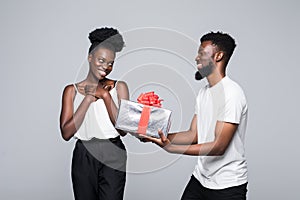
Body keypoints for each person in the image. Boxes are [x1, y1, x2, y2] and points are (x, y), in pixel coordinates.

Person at [142, 31, 248, 200]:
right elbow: (194, 135)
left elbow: (219, 147)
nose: (197, 58)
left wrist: (172, 148)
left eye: (202, 53)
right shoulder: (204, 93)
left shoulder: (231, 93)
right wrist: (157, 137)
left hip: (227, 186)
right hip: (200, 179)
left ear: (219, 56)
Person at [59, 27, 129, 200]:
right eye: (101, 60)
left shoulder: (119, 87)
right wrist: (88, 99)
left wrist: (105, 95)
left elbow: (123, 130)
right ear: (90, 58)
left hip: (113, 151)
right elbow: (66, 133)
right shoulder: (71, 91)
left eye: (111, 63)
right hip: (84, 154)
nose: (106, 67)